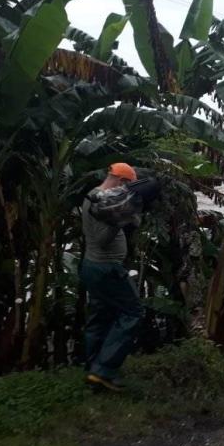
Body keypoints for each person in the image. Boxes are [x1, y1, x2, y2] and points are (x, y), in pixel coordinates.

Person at [80, 162, 144, 391]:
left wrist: (128, 214)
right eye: (127, 187)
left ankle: (94, 371)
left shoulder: (99, 197)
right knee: (133, 312)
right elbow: (101, 240)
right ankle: (104, 370)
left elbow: (129, 221)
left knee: (101, 316)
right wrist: (121, 219)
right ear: (121, 182)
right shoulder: (98, 200)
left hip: (94, 267)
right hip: (106, 268)